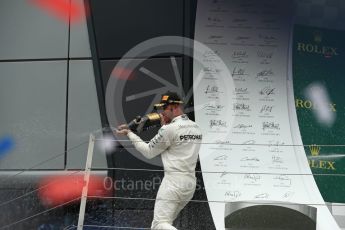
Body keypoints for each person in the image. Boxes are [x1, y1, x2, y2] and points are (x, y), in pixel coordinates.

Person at [116, 91, 202, 230]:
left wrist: (130, 134)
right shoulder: (196, 128)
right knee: (164, 224)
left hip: (173, 183)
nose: (162, 113)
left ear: (173, 107)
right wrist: (163, 127)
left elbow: (149, 152)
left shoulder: (169, 129)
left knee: (158, 225)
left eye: (164, 109)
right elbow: (176, 144)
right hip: (190, 184)